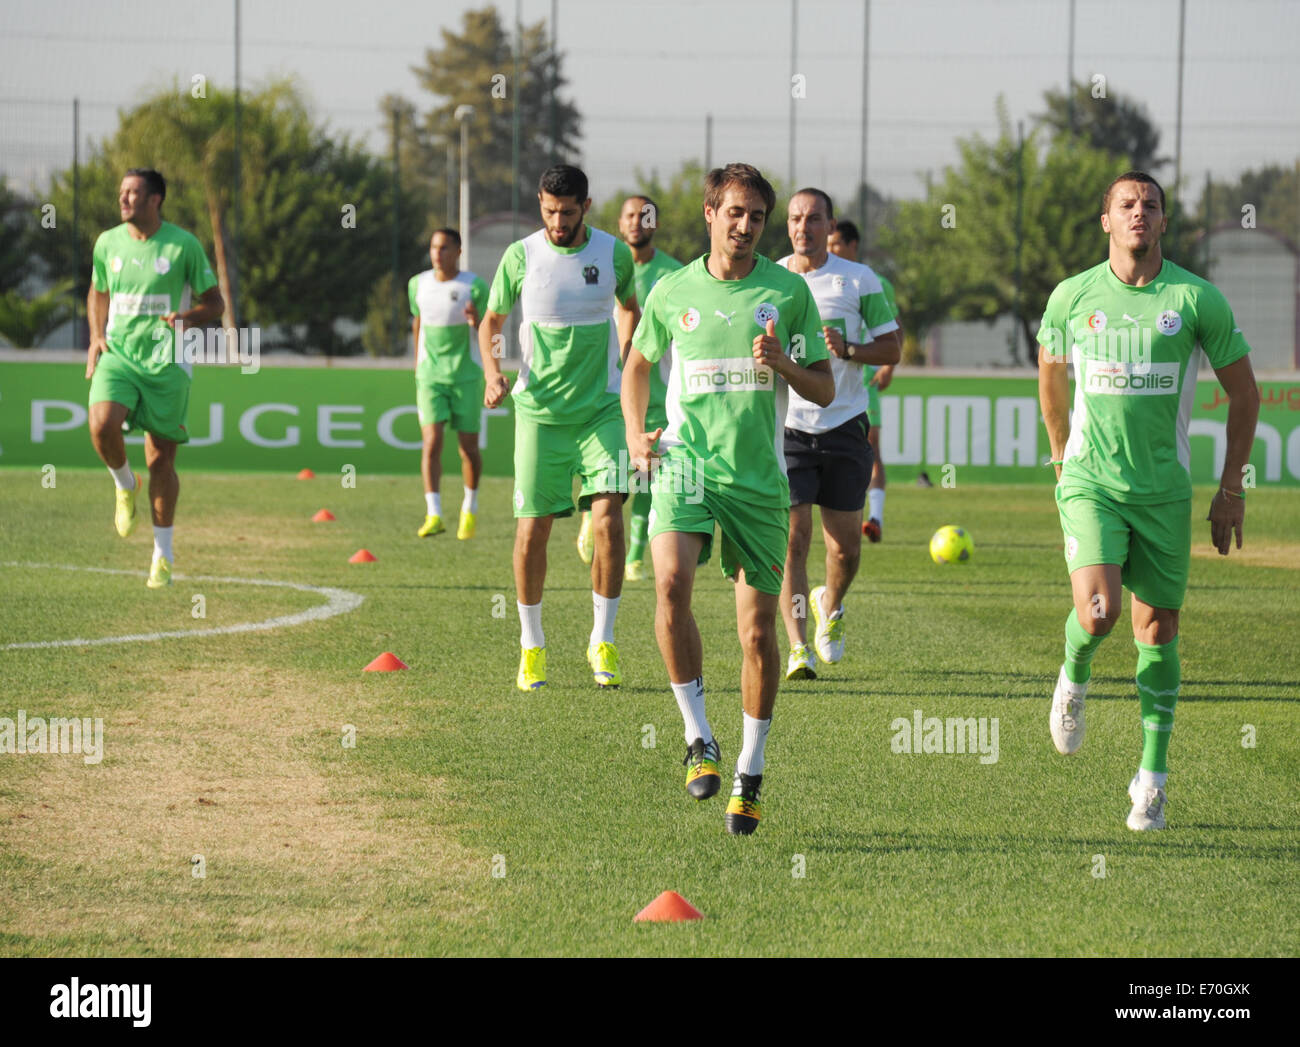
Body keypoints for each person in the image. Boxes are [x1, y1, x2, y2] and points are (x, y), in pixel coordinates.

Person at [1037, 171, 1259, 831]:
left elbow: (1245, 395)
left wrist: (1230, 491)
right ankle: (1073, 672)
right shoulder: (1073, 296)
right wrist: (1059, 455)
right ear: (1106, 219)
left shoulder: (1196, 300)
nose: (1139, 213)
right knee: (1099, 612)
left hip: (1165, 491)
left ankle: (1152, 780)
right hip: (1091, 482)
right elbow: (1051, 375)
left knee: (1157, 631)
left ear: (1164, 222)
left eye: (1151, 205)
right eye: (1126, 204)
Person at [623, 163, 834, 835]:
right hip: (685, 466)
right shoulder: (672, 291)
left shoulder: (788, 292)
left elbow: (825, 389)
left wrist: (784, 364)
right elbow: (637, 364)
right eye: (735, 212)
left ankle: (750, 767)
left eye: (757, 218)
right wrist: (635, 434)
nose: (746, 227)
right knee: (669, 582)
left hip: (758, 482)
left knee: (755, 631)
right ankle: (696, 735)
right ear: (710, 212)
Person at [479, 165, 640, 691]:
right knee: (533, 531)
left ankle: (603, 639)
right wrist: (493, 374)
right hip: (539, 415)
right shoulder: (520, 255)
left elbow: (629, 309)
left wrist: (623, 358)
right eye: (549, 210)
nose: (557, 221)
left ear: (586, 208)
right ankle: (531, 647)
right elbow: (491, 322)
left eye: (567, 212)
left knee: (609, 523)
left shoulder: (613, 253)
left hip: (602, 411)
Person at [779, 193, 899, 681]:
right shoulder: (770, 279)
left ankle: (831, 606)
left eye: (812, 218)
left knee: (845, 548)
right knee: (793, 539)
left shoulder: (858, 279)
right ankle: (799, 646)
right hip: (787, 426)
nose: (803, 226)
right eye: (795, 218)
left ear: (829, 224)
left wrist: (849, 348)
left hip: (845, 423)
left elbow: (893, 345)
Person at [85, 168, 223, 588]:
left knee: (161, 458)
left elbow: (214, 305)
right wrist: (95, 335)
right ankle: (124, 484)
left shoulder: (183, 245)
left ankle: (162, 552)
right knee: (101, 424)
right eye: (122, 192)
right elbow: (98, 290)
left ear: (155, 200)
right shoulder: (107, 242)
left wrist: (186, 317)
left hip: (168, 359)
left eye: (133, 192)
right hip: (119, 354)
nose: (124, 198)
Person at [578, 194, 684, 581]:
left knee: (647, 472)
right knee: (608, 467)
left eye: (645, 216)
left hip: (656, 391)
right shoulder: (601, 265)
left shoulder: (675, 274)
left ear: (655, 224)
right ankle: (592, 513)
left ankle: (636, 553)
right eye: (629, 216)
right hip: (604, 388)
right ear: (619, 223)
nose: (637, 221)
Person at [409, 229, 488, 540]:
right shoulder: (418, 284)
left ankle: (469, 507)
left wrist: (476, 320)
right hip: (430, 377)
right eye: (433, 247)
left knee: (467, 449)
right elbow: (418, 322)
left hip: (466, 376)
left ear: (458, 251)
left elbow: (489, 328)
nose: (437, 253)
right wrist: (418, 362)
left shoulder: (474, 286)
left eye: (443, 248)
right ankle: (434, 513)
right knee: (431, 442)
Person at [829, 219, 896, 541]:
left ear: (852, 245)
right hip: (828, 383)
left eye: (835, 244)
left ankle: (875, 517)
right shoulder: (817, 279)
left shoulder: (875, 281)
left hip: (865, 380)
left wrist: (888, 368)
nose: (830, 251)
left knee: (872, 447)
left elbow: (893, 329)